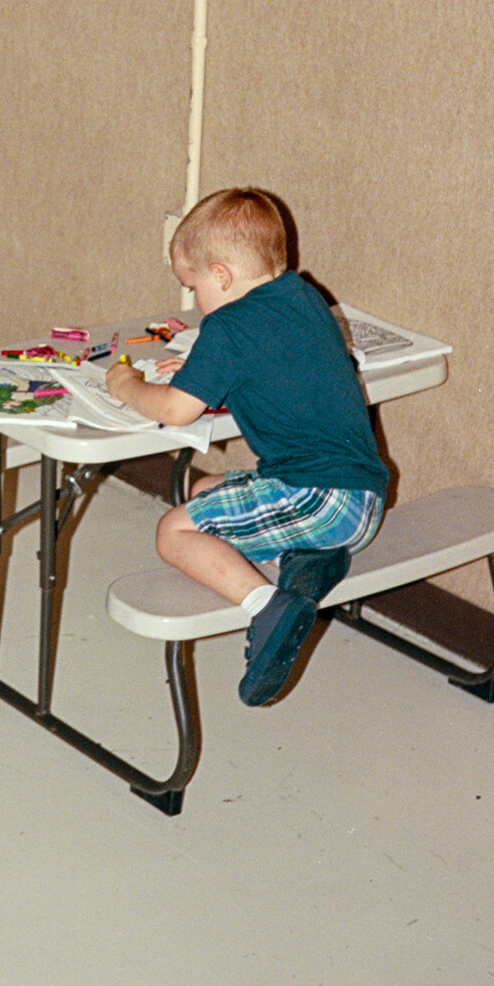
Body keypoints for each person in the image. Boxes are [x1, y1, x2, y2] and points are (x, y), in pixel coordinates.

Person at [105, 187, 387, 705]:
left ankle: (267, 608)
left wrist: (126, 386)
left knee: (173, 532)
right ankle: (310, 560)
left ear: (222, 276)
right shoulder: (303, 298)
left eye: (193, 287)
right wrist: (202, 372)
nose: (194, 302)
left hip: (317, 500)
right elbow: (281, 374)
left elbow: (174, 411)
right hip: (360, 500)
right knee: (211, 486)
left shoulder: (229, 328)